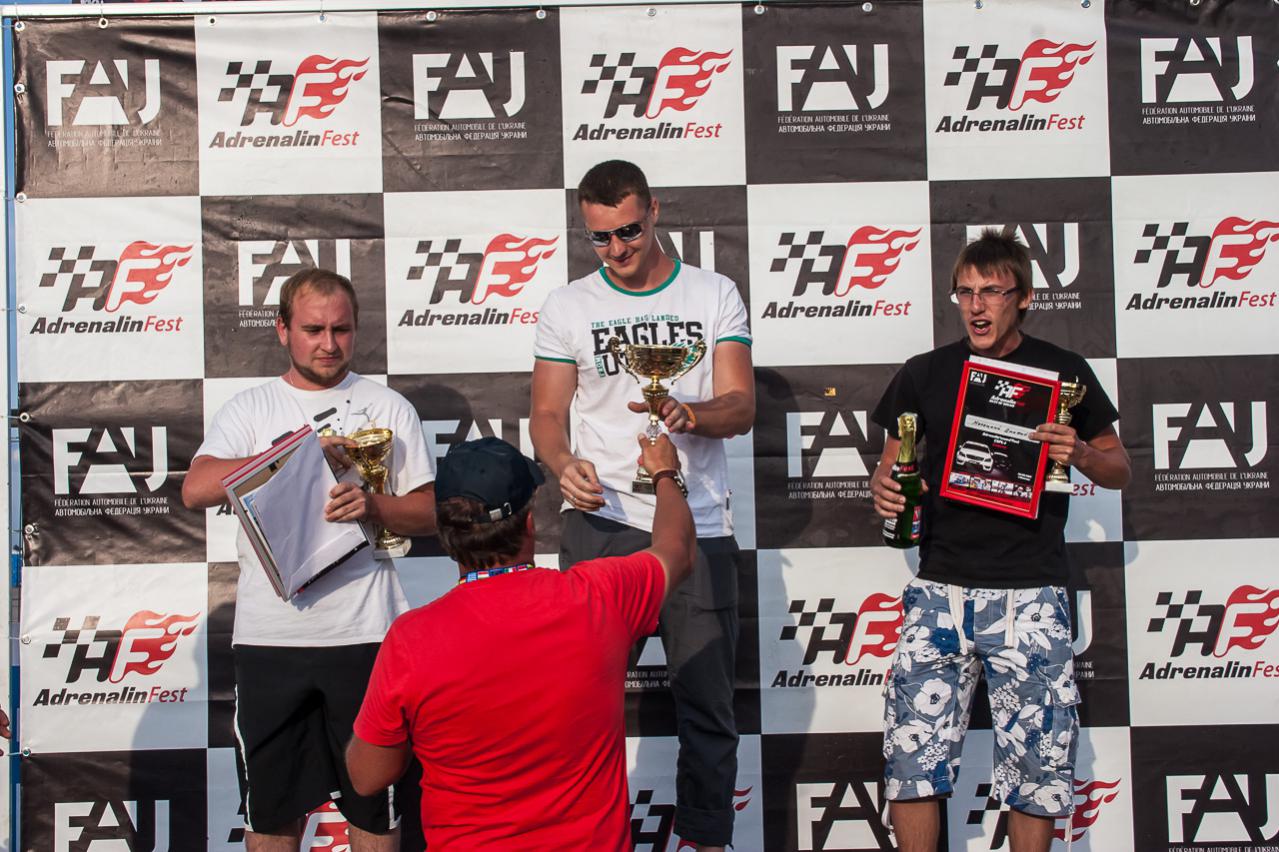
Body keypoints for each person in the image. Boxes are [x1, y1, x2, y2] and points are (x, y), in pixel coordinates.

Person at [870, 230, 1131, 852]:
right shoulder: (924, 372)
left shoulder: (1064, 371)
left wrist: (1081, 452)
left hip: (1031, 591)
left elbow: (1120, 469)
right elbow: (888, 467)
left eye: (991, 292)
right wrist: (883, 488)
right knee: (912, 762)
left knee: (1038, 770)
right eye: (965, 292)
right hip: (939, 591)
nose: (976, 306)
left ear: (1025, 298)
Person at [529, 159, 753, 850]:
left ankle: (706, 842)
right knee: (577, 707)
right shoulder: (568, 305)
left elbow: (741, 405)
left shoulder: (712, 293)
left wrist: (692, 414)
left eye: (628, 231)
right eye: (599, 237)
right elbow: (546, 414)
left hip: (696, 523)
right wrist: (562, 464)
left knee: (708, 711)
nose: (617, 248)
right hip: (601, 524)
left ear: (654, 211)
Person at [182, 268, 436, 851]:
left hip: (368, 634)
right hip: (271, 639)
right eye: (313, 330)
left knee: (376, 811)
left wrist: (373, 504)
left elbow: (428, 513)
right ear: (282, 330)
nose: (328, 344)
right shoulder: (251, 409)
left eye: (341, 330)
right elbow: (196, 488)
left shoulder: (388, 406)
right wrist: (297, 456)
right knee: (272, 814)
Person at [345, 434, 696, 848]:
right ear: (529, 524)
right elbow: (678, 549)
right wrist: (665, 473)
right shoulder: (599, 595)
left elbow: (367, 777)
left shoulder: (411, 640)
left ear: (444, 533)